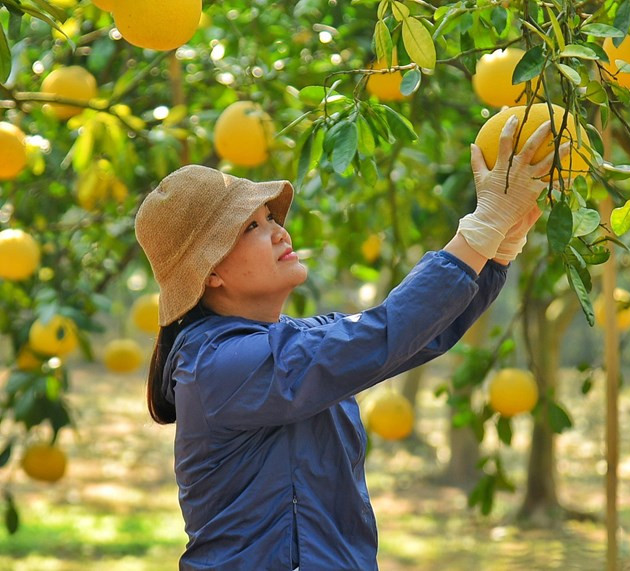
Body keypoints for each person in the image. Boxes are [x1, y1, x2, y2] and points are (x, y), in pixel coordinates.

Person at [134, 115, 569, 570]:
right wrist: (482, 226)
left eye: (270, 219)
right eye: (251, 228)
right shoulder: (216, 366)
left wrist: (500, 243)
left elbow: (417, 334)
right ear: (212, 273)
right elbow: (383, 332)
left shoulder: (295, 340)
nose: (280, 232)